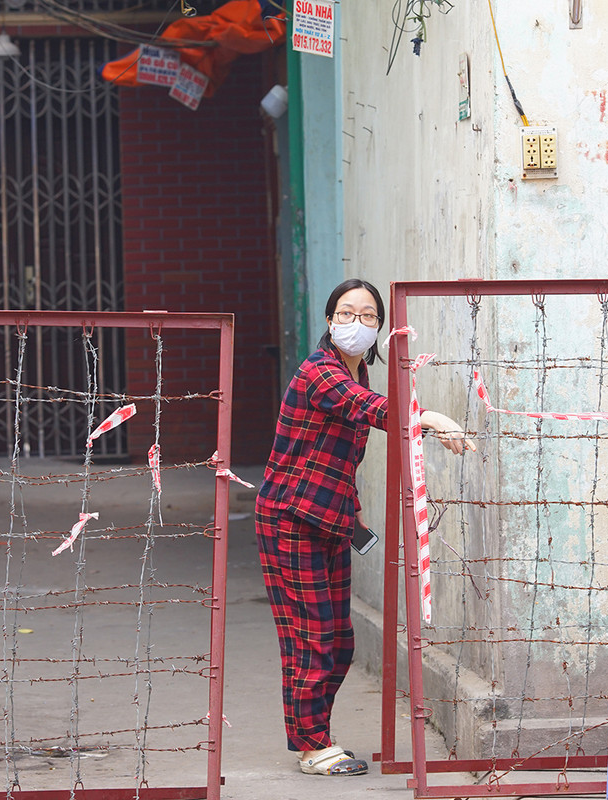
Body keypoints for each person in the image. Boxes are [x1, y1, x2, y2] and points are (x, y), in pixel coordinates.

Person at [254, 278, 474, 776]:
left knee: (340, 640)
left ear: (379, 327)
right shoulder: (321, 373)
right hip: (290, 519)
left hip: (328, 519)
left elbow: (338, 457)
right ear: (330, 320)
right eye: (347, 313)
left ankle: (318, 734)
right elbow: (365, 409)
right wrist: (431, 418)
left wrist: (350, 514)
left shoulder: (357, 373)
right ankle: (312, 746)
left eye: (369, 316)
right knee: (311, 636)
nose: (357, 324)